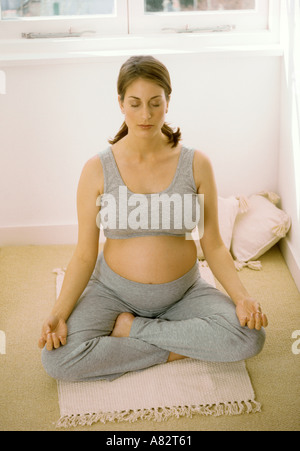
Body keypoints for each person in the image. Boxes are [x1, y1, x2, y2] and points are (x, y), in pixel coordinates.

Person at [39, 55, 267, 382]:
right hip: (112, 292)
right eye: (134, 103)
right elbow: (84, 254)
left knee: (249, 336)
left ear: (168, 102)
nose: (145, 115)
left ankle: (132, 329)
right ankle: (177, 344)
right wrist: (58, 314)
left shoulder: (196, 163)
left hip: (183, 293)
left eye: (154, 103)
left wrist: (242, 298)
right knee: (58, 360)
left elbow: (214, 245)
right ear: (120, 104)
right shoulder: (96, 169)